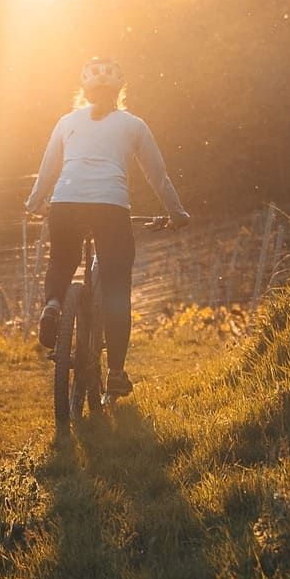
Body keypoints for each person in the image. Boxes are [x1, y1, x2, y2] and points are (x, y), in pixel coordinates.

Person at [25, 55, 190, 398]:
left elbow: (48, 169)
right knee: (116, 288)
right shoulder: (133, 125)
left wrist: (35, 203)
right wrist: (177, 214)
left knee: (61, 261)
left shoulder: (66, 121)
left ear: (83, 90)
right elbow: (158, 178)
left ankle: (53, 305)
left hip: (65, 202)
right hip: (111, 207)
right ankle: (115, 372)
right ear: (120, 89)